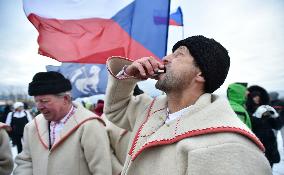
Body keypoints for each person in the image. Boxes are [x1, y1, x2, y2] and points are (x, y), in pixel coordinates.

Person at [104, 35, 271, 174]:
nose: (165, 58)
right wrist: (127, 74)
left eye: (178, 55)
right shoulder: (152, 110)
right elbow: (115, 110)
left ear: (200, 73)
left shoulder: (230, 147)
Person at [14, 71, 112, 175]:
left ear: (65, 99)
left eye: (45, 101)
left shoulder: (90, 125)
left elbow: (102, 170)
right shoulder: (32, 127)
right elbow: (25, 162)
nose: (39, 107)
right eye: (36, 101)